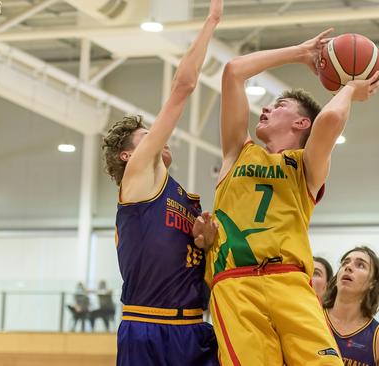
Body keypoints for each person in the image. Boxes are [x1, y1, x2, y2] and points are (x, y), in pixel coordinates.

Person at [204, 28, 379, 365]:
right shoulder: (236, 153)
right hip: (235, 285)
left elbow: (329, 118)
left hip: (289, 280)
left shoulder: (307, 166)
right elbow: (233, 71)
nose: (266, 109)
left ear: (302, 122)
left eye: (279, 105)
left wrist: (350, 88)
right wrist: (299, 52)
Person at [101, 1, 222, 364]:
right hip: (148, 327)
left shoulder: (185, 196)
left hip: (195, 328)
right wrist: (211, 21)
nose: (157, 136)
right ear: (127, 155)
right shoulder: (138, 179)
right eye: (145, 135)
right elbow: (183, 86)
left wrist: (207, 240)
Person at [323, 246, 379, 366]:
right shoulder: (314, 317)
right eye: (345, 263)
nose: (348, 267)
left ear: (372, 283)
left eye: (360, 265)